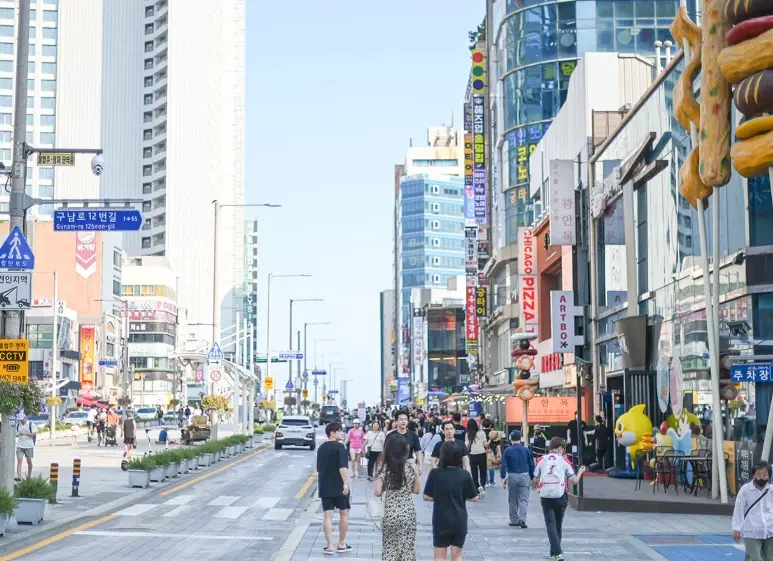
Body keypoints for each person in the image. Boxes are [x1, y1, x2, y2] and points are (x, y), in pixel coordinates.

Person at [423, 441, 479, 561]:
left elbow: (426, 496)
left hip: (441, 520)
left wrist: (440, 496)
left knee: (439, 557)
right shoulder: (464, 474)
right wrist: (460, 496)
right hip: (459, 519)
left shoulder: (435, 473)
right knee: (457, 556)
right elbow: (474, 497)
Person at [534, 437, 587, 561]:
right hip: (560, 495)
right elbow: (574, 481)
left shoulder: (541, 459)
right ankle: (557, 552)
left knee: (550, 524)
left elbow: (536, 479)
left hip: (546, 496)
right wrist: (580, 472)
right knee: (558, 524)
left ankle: (556, 553)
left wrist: (540, 484)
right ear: (560, 448)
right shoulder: (564, 460)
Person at [375, 432, 420, 561]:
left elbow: (377, 492)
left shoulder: (384, 466)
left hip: (389, 513)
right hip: (408, 513)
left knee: (390, 548)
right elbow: (417, 490)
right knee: (407, 549)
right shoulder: (412, 465)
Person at [317, 422, 351, 556]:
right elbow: (342, 467)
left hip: (325, 484)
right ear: (332, 433)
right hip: (339, 485)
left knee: (327, 515)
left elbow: (319, 468)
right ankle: (341, 543)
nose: (342, 433)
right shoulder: (340, 447)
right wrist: (345, 483)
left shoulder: (321, 448)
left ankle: (329, 546)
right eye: (340, 431)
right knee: (343, 513)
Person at [732, 460, 773, 560]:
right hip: (752, 530)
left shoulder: (771, 490)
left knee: (770, 558)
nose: (761, 477)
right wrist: (737, 529)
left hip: (770, 530)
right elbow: (738, 509)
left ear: (769, 476)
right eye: (758, 474)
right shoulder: (745, 490)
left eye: (765, 475)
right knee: (755, 558)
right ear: (753, 474)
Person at [500, 430, 534, 528]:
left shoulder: (507, 450)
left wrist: (503, 477)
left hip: (512, 475)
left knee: (512, 499)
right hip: (524, 475)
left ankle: (514, 520)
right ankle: (522, 519)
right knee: (523, 499)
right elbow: (531, 464)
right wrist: (532, 476)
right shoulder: (526, 450)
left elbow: (504, 465)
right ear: (521, 439)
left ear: (510, 439)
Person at [384, 410, 422, 475]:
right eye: (401, 419)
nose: (403, 421)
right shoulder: (390, 436)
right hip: (393, 467)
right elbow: (385, 452)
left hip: (409, 466)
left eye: (405, 419)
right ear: (396, 421)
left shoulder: (413, 435)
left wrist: (420, 465)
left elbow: (418, 451)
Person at [466, 418, 488, 495]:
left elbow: (467, 445)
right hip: (482, 454)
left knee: (474, 472)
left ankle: (476, 487)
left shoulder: (467, 434)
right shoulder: (482, 432)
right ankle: (482, 485)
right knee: (483, 471)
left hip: (472, 455)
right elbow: (485, 444)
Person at [15, 413, 36, 481]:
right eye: (20, 419)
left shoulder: (31, 424)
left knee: (29, 461)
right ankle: (19, 476)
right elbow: (16, 434)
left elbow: (34, 434)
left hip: (29, 446)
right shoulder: (18, 425)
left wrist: (25, 433)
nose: (21, 420)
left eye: (22, 419)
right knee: (19, 460)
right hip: (20, 445)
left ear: (25, 417)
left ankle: (29, 476)